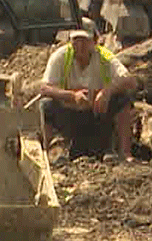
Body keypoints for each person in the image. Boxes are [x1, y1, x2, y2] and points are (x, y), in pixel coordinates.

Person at [38, 25, 140, 160]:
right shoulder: (60, 56)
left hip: (97, 115)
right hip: (70, 117)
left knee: (123, 100)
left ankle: (125, 154)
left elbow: (130, 80)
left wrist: (106, 92)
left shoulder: (104, 55)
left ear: (94, 42)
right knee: (46, 106)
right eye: (76, 40)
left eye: (85, 40)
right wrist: (72, 96)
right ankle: (44, 153)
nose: (80, 45)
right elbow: (44, 88)